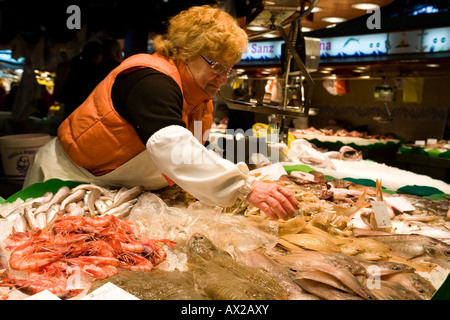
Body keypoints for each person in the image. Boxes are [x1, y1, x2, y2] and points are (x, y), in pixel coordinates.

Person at [24, 5, 298, 221]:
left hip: (117, 190)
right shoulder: (150, 80)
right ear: (184, 51)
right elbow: (172, 145)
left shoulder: (201, 99)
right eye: (216, 65)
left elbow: (195, 150)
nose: (222, 78)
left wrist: (240, 176)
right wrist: (243, 187)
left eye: (228, 69)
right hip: (68, 181)